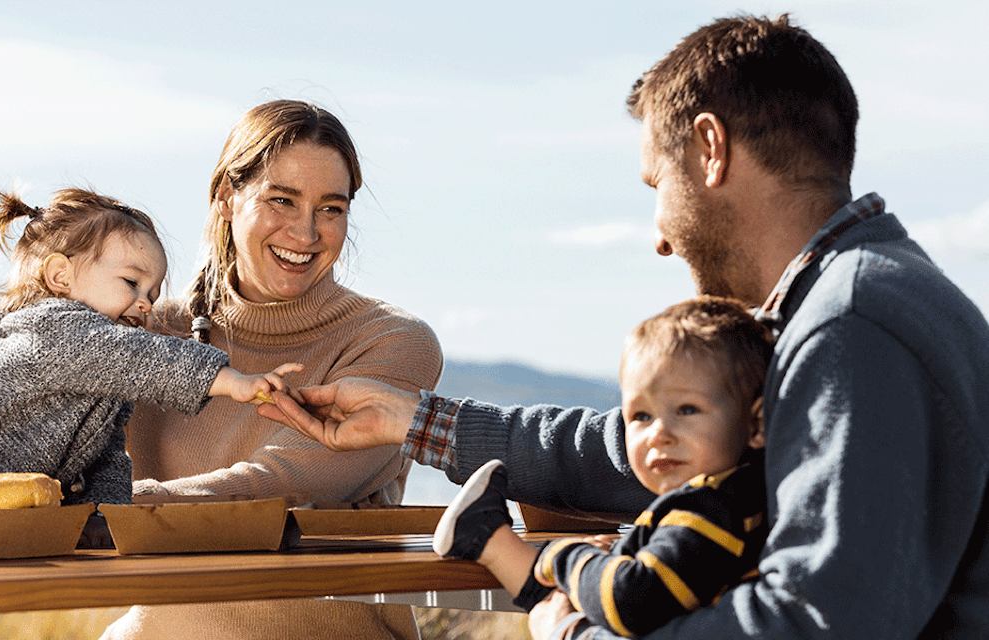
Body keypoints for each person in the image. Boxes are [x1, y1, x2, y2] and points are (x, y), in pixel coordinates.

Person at [261, 14, 989, 639]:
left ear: (710, 149)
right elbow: (620, 452)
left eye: (655, 186)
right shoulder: (839, 305)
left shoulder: (853, 329)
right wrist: (415, 421)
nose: (660, 238)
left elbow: (812, 622)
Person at [0, 186, 300, 640]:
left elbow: (109, 454)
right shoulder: (61, 331)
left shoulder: (99, 371)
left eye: (153, 293)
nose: (144, 303)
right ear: (61, 277)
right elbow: (143, 357)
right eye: (131, 282)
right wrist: (233, 382)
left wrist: (103, 517)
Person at [101, 100, 444, 640]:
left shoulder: (392, 341)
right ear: (225, 200)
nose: (306, 232)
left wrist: (112, 506)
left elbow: (280, 484)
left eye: (331, 208)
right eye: (281, 200)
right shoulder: (145, 332)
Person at [435, 297, 771, 637]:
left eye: (686, 409)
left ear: (755, 425)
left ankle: (487, 537)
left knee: (563, 582)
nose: (659, 434)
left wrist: (566, 555)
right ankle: (483, 534)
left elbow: (633, 600)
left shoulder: (713, 509)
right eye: (641, 416)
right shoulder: (724, 500)